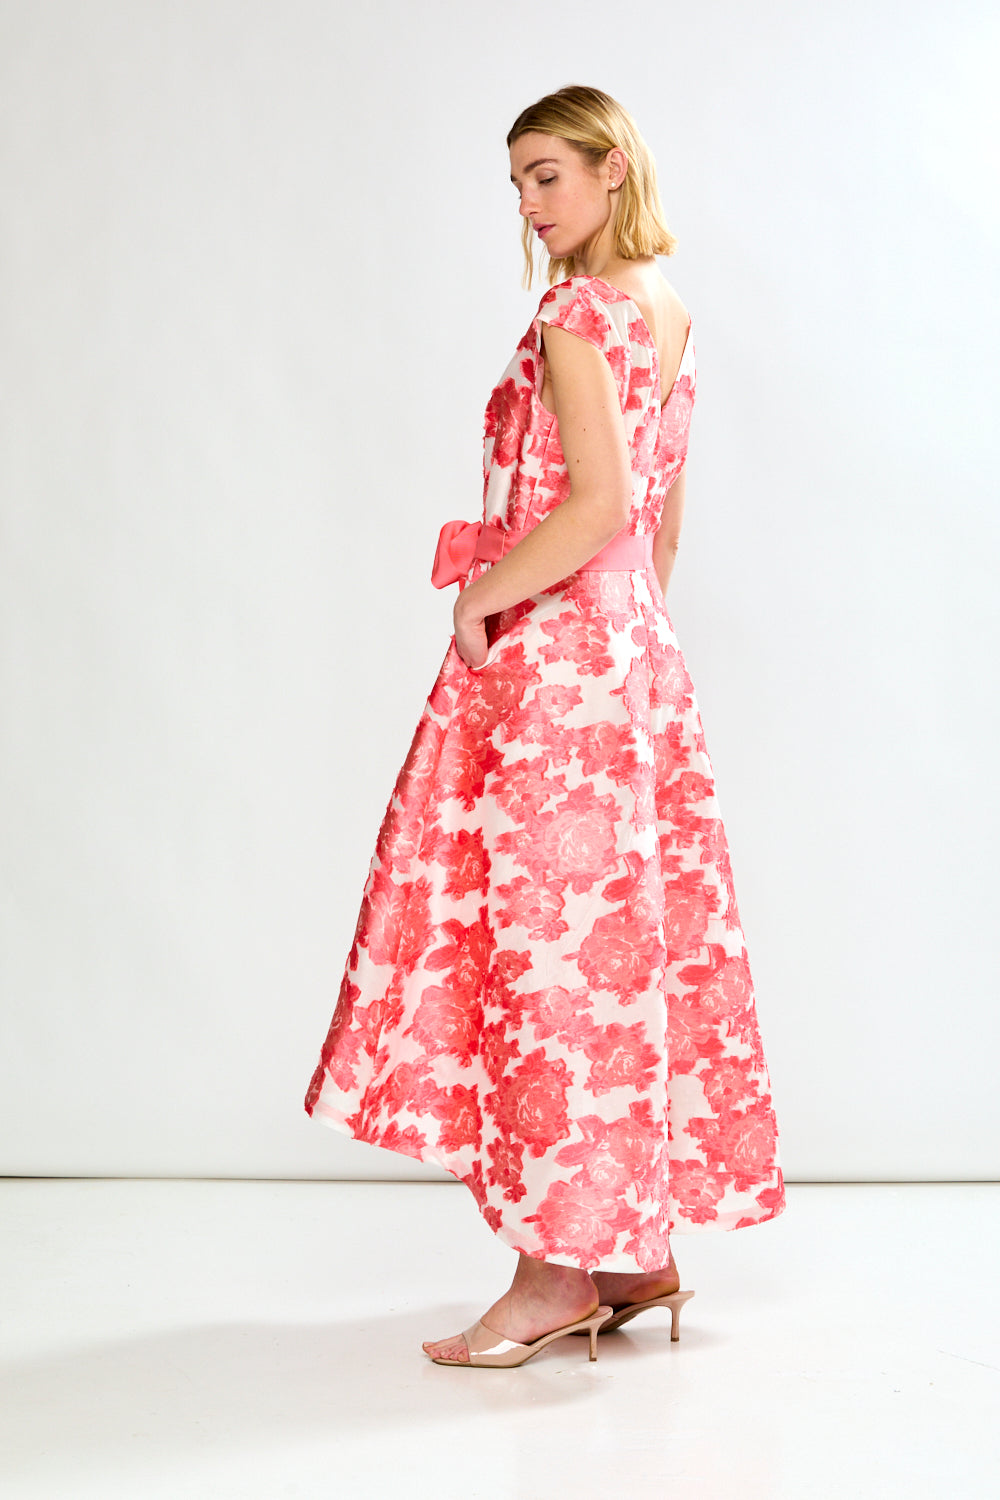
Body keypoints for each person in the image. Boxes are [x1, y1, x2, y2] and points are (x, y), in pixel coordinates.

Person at [304, 83, 785, 1369]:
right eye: (514, 183)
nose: (526, 204)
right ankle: (632, 1253)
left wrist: (482, 603)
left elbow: (592, 505)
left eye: (546, 176)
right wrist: (626, 652)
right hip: (634, 665)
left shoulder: (578, 313)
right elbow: (658, 530)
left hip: (560, 669)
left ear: (612, 167)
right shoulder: (670, 311)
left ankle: (550, 1274)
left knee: (543, 965)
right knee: (618, 957)